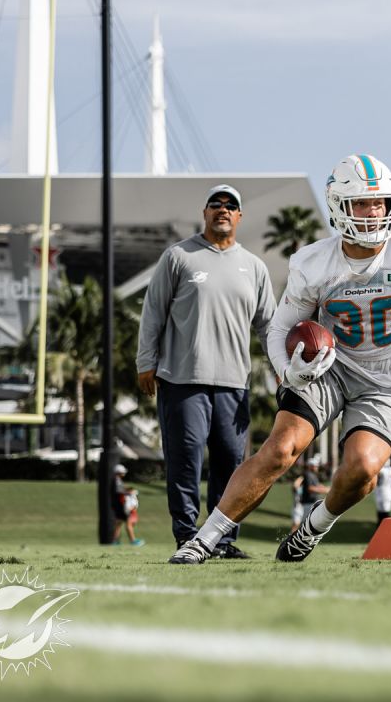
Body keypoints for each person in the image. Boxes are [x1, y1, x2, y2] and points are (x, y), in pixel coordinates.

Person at [170, 154, 391, 564]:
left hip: (386, 378)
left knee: (363, 468)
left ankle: (313, 527)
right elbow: (277, 328)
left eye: (380, 203)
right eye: (362, 203)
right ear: (339, 206)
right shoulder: (314, 262)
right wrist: (290, 370)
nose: (373, 213)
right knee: (281, 449)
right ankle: (205, 539)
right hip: (329, 367)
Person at [137, 184, 275, 560]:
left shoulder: (255, 267)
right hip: (182, 380)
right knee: (186, 463)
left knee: (232, 467)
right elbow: (153, 312)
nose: (223, 210)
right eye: (217, 204)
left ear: (240, 217)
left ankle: (222, 541)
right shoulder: (179, 256)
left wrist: (282, 368)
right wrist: (145, 361)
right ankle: (187, 537)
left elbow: (268, 326)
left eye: (231, 206)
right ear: (205, 212)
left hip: (234, 384)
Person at [291, 455, 328, 533]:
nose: (317, 467)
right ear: (310, 466)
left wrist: (326, 488)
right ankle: (293, 540)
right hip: (304, 504)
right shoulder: (307, 475)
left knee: (307, 524)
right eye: (315, 466)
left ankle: (301, 540)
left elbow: (317, 485)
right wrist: (325, 490)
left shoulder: (313, 476)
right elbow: (309, 488)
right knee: (302, 524)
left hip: (310, 503)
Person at [111, 464, 144, 546]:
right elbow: (118, 491)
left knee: (118, 523)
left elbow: (120, 489)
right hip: (120, 505)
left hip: (118, 505)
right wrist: (129, 492)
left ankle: (115, 541)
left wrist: (127, 489)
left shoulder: (116, 480)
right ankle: (133, 540)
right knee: (128, 522)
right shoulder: (116, 480)